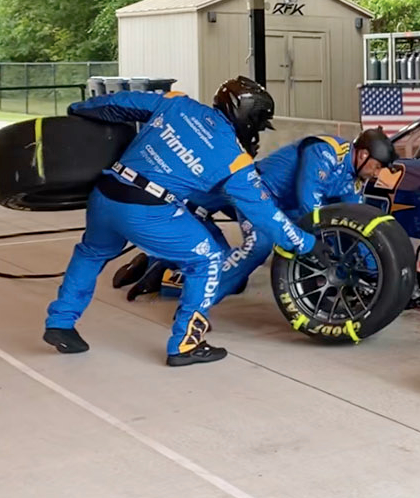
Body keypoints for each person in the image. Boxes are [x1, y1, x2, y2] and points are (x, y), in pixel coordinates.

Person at [43, 78, 315, 365]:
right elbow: (265, 214)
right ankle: (186, 344)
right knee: (208, 259)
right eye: (259, 122)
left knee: (91, 252)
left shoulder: (177, 102)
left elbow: (118, 103)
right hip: (146, 209)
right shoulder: (233, 159)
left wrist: (78, 109)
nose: (258, 130)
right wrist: (306, 244)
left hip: (106, 193)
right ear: (248, 116)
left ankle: (60, 322)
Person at [123, 128, 400, 302]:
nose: (377, 174)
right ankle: (197, 303)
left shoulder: (354, 181)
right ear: (362, 154)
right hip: (255, 191)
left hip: (278, 205)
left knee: (239, 281)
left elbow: (355, 226)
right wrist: (322, 247)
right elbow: (309, 202)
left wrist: (375, 272)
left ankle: (161, 266)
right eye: (376, 167)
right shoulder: (326, 152)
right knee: (261, 245)